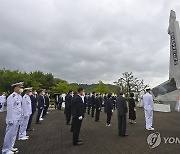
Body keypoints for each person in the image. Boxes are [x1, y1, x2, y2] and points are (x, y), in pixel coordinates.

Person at [2, 82, 24, 154]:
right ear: (15, 88)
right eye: (20, 87)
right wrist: (10, 119)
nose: (21, 89)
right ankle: (5, 150)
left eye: (21, 87)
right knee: (9, 134)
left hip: (17, 117)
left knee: (14, 134)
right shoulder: (12, 97)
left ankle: (10, 147)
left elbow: (19, 108)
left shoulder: (19, 96)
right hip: (12, 118)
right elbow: (10, 109)